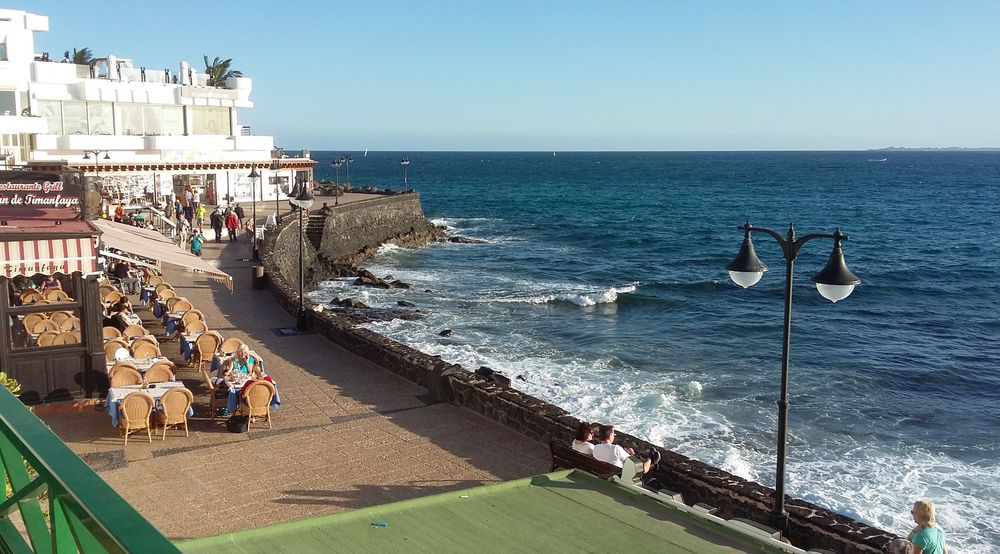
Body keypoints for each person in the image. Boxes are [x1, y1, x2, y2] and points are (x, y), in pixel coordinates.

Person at [592, 425, 660, 474]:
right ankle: (651, 461)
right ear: (610, 436)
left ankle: (652, 464)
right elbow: (634, 463)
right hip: (620, 476)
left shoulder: (595, 448)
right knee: (642, 468)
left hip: (603, 472)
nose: (614, 435)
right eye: (613, 434)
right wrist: (632, 454)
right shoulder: (616, 448)